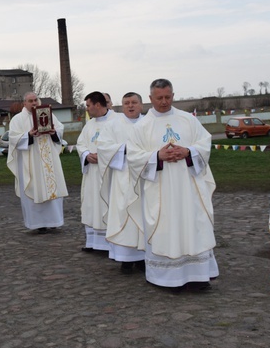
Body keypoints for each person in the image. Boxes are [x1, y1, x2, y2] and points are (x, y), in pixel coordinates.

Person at [126, 79, 218, 291]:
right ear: (150, 98)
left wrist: (188, 152)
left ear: (173, 95)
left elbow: (204, 144)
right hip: (160, 190)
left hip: (189, 188)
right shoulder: (141, 127)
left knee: (193, 225)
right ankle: (167, 278)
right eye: (159, 98)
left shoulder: (188, 120)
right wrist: (157, 155)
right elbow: (133, 156)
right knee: (165, 227)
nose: (164, 102)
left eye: (168, 97)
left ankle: (198, 276)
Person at [6, 91, 68, 233]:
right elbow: (13, 139)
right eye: (30, 101)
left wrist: (53, 132)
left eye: (36, 100)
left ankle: (54, 221)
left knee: (51, 186)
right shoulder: (17, 119)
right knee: (33, 187)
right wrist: (28, 135)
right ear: (24, 103)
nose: (34, 103)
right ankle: (38, 224)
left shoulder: (48, 113)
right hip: (30, 162)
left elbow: (60, 129)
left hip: (48, 161)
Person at [103, 92, 146, 273]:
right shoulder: (113, 124)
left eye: (134, 102)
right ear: (122, 105)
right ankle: (126, 259)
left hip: (145, 178)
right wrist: (127, 149)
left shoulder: (149, 123)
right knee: (124, 215)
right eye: (126, 103)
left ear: (141, 105)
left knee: (144, 214)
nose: (130, 106)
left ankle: (144, 257)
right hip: (123, 177)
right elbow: (103, 147)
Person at [76, 91, 123, 253]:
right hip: (92, 174)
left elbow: (123, 143)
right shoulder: (90, 124)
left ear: (97, 105)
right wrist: (86, 155)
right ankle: (95, 242)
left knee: (108, 203)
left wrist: (103, 156)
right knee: (92, 204)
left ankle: (111, 243)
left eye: (88, 105)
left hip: (110, 172)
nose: (87, 109)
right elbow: (80, 144)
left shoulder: (118, 121)